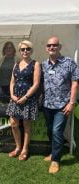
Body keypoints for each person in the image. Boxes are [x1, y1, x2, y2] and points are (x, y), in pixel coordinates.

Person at [42, 36, 79, 174]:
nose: (52, 47)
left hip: (62, 105)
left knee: (57, 132)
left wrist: (71, 102)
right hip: (47, 104)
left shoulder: (69, 62)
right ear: (46, 48)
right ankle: (54, 152)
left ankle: (55, 161)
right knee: (50, 131)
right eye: (49, 45)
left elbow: (75, 83)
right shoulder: (44, 64)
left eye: (54, 45)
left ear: (60, 47)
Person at [6, 40, 41, 161]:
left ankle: (25, 149)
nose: (25, 51)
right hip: (15, 99)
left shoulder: (35, 64)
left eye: (28, 49)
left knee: (26, 125)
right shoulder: (16, 64)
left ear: (31, 50)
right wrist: (12, 95)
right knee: (14, 124)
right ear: (20, 51)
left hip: (28, 99)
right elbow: (12, 82)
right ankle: (17, 147)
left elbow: (36, 84)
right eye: (23, 49)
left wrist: (26, 97)